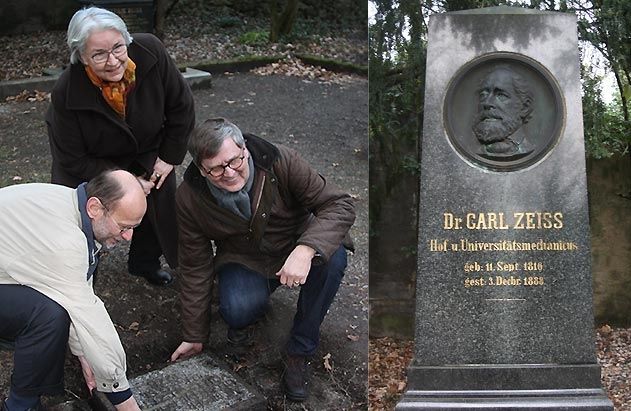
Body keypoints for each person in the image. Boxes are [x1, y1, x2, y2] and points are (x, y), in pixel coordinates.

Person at [169, 118, 356, 401]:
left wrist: (306, 248)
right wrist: (194, 334)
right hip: (245, 259)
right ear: (201, 169)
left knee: (333, 258)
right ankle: (251, 307)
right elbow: (195, 264)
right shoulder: (189, 197)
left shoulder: (280, 160)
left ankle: (300, 350)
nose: (229, 173)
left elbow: (339, 204)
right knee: (236, 310)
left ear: (245, 149)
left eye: (235, 161)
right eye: (217, 169)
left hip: (296, 243)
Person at [46, 6, 195, 286]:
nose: (113, 60)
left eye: (117, 48)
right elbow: (72, 158)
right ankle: (81, 280)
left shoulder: (151, 51)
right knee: (83, 223)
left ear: (127, 40)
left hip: (146, 150)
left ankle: (144, 262)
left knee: (157, 207)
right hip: (91, 164)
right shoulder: (65, 92)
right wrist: (128, 183)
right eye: (99, 54)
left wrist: (168, 157)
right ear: (81, 56)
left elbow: (181, 106)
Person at [0, 170, 146, 411]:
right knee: (47, 315)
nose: (129, 237)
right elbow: (90, 316)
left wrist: (82, 353)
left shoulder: (69, 204)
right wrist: (124, 398)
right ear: (95, 208)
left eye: (133, 228)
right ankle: (20, 406)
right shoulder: (64, 242)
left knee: (54, 308)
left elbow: (75, 288)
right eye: (123, 227)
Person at [473, 66, 535, 160]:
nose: (487, 103)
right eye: (483, 95)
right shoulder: (473, 150)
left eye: (501, 95)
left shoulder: (529, 150)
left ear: (524, 107)